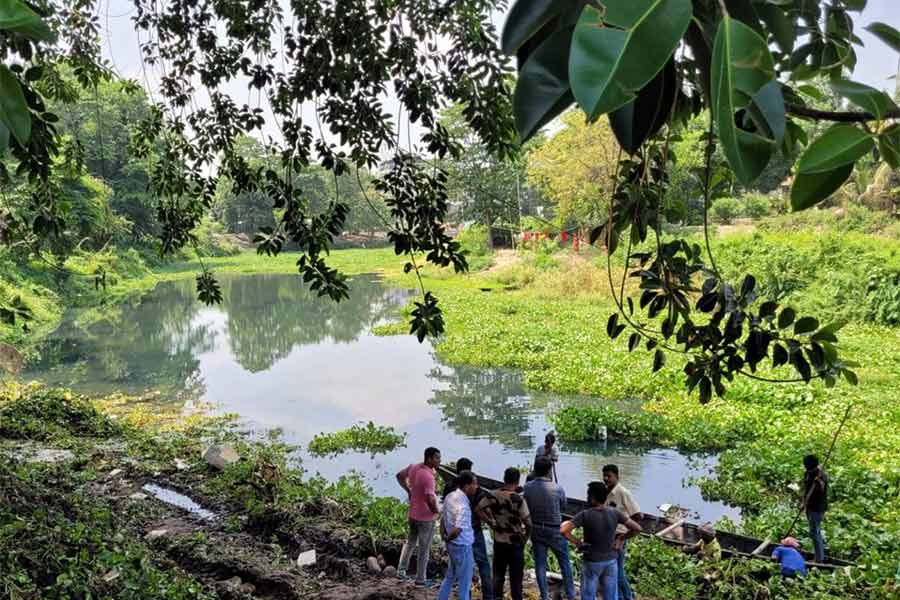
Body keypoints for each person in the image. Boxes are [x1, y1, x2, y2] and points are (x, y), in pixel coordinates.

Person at [561, 481, 643, 600]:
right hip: (611, 561)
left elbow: (564, 530)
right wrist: (621, 538)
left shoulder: (585, 515)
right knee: (610, 596)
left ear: (593, 498)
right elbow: (637, 528)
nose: (587, 498)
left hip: (592, 562)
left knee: (589, 595)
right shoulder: (615, 513)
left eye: (588, 495)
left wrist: (578, 543)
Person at [523, 456, 576, 600]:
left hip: (537, 528)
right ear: (549, 470)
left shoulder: (527, 487)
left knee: (540, 563)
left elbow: (524, 506)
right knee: (564, 561)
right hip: (554, 530)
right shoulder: (557, 488)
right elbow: (563, 506)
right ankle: (571, 595)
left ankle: (544, 596)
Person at [477, 467, 531, 600]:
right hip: (516, 543)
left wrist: (490, 522)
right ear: (518, 481)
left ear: (504, 479)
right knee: (516, 579)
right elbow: (529, 523)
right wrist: (526, 537)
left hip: (499, 541)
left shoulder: (493, 494)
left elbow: (478, 509)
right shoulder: (518, 499)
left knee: (498, 577)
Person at [443, 458, 493, 600]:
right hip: (470, 532)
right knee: (482, 565)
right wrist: (491, 522)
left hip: (453, 535)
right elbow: (480, 509)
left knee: (454, 573)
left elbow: (445, 512)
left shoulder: (449, 488)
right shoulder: (472, 490)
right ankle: (488, 596)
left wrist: (445, 535)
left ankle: (467, 596)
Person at [395, 447, 441, 586]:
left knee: (410, 543)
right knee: (424, 549)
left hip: (413, 515)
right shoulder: (428, 477)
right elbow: (430, 498)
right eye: (437, 458)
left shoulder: (413, 467)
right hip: (425, 519)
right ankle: (421, 579)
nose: (440, 461)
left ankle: (401, 571)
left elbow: (399, 476)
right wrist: (436, 512)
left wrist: (408, 490)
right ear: (429, 459)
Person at [438, 470, 479, 600]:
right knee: (465, 584)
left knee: (450, 577)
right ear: (467, 486)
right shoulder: (463, 506)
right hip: (462, 546)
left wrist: (444, 537)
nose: (476, 486)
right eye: (475, 483)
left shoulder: (450, 496)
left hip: (453, 546)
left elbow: (443, 519)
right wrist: (448, 538)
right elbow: (458, 530)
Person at [603, 464, 641, 600]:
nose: (606, 479)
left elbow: (638, 516)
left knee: (618, 572)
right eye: (604, 476)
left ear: (617, 477)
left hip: (618, 537)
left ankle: (628, 596)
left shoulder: (623, 492)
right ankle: (619, 596)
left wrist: (624, 536)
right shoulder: (605, 492)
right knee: (613, 572)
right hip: (608, 537)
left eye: (609, 476)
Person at [802, 454, 828, 563]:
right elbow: (806, 489)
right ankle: (819, 554)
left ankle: (819, 559)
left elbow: (822, 488)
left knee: (814, 532)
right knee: (814, 531)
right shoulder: (807, 474)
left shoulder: (821, 475)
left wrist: (819, 483)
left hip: (817, 508)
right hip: (809, 506)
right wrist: (803, 503)